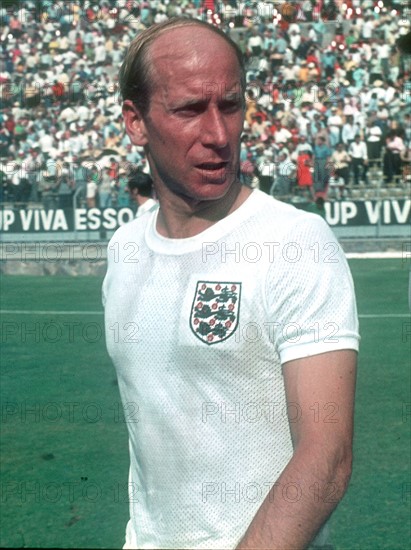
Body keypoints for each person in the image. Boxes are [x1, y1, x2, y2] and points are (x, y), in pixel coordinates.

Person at [103, 18, 359, 550]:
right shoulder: (124, 251)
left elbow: (326, 456)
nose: (219, 134)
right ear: (136, 121)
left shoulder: (296, 242)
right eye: (190, 109)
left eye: (232, 105)